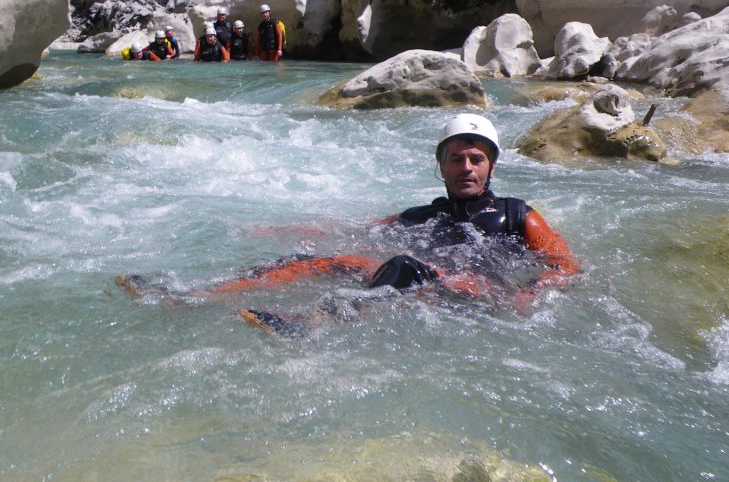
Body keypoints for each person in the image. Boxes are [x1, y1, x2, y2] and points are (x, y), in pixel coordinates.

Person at [218, 114, 579, 332]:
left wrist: (528, 294)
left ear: (491, 166)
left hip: (477, 292)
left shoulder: (518, 215)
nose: (466, 167)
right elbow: (361, 229)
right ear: (441, 166)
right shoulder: (423, 215)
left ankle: (309, 325)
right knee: (326, 259)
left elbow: (564, 265)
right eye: (456, 159)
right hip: (422, 280)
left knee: (403, 266)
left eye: (476, 159)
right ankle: (210, 294)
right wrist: (284, 231)